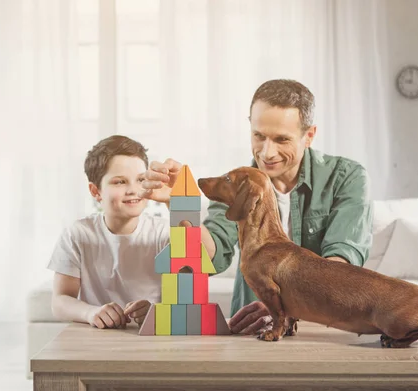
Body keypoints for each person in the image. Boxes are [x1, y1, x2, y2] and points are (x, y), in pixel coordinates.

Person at [140, 79, 373, 335]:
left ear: (309, 136)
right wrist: (181, 204)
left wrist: (284, 309)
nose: (267, 152)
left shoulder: (347, 177)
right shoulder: (239, 186)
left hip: (322, 333)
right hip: (255, 332)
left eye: (282, 139)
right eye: (258, 136)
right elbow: (210, 254)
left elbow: (340, 267)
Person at [47, 135, 170, 329]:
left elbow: (193, 279)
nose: (133, 190)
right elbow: (60, 300)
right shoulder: (78, 234)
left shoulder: (163, 232)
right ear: (96, 191)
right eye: (120, 182)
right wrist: (91, 312)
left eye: (140, 180)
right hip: (98, 337)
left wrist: (156, 311)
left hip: (153, 336)